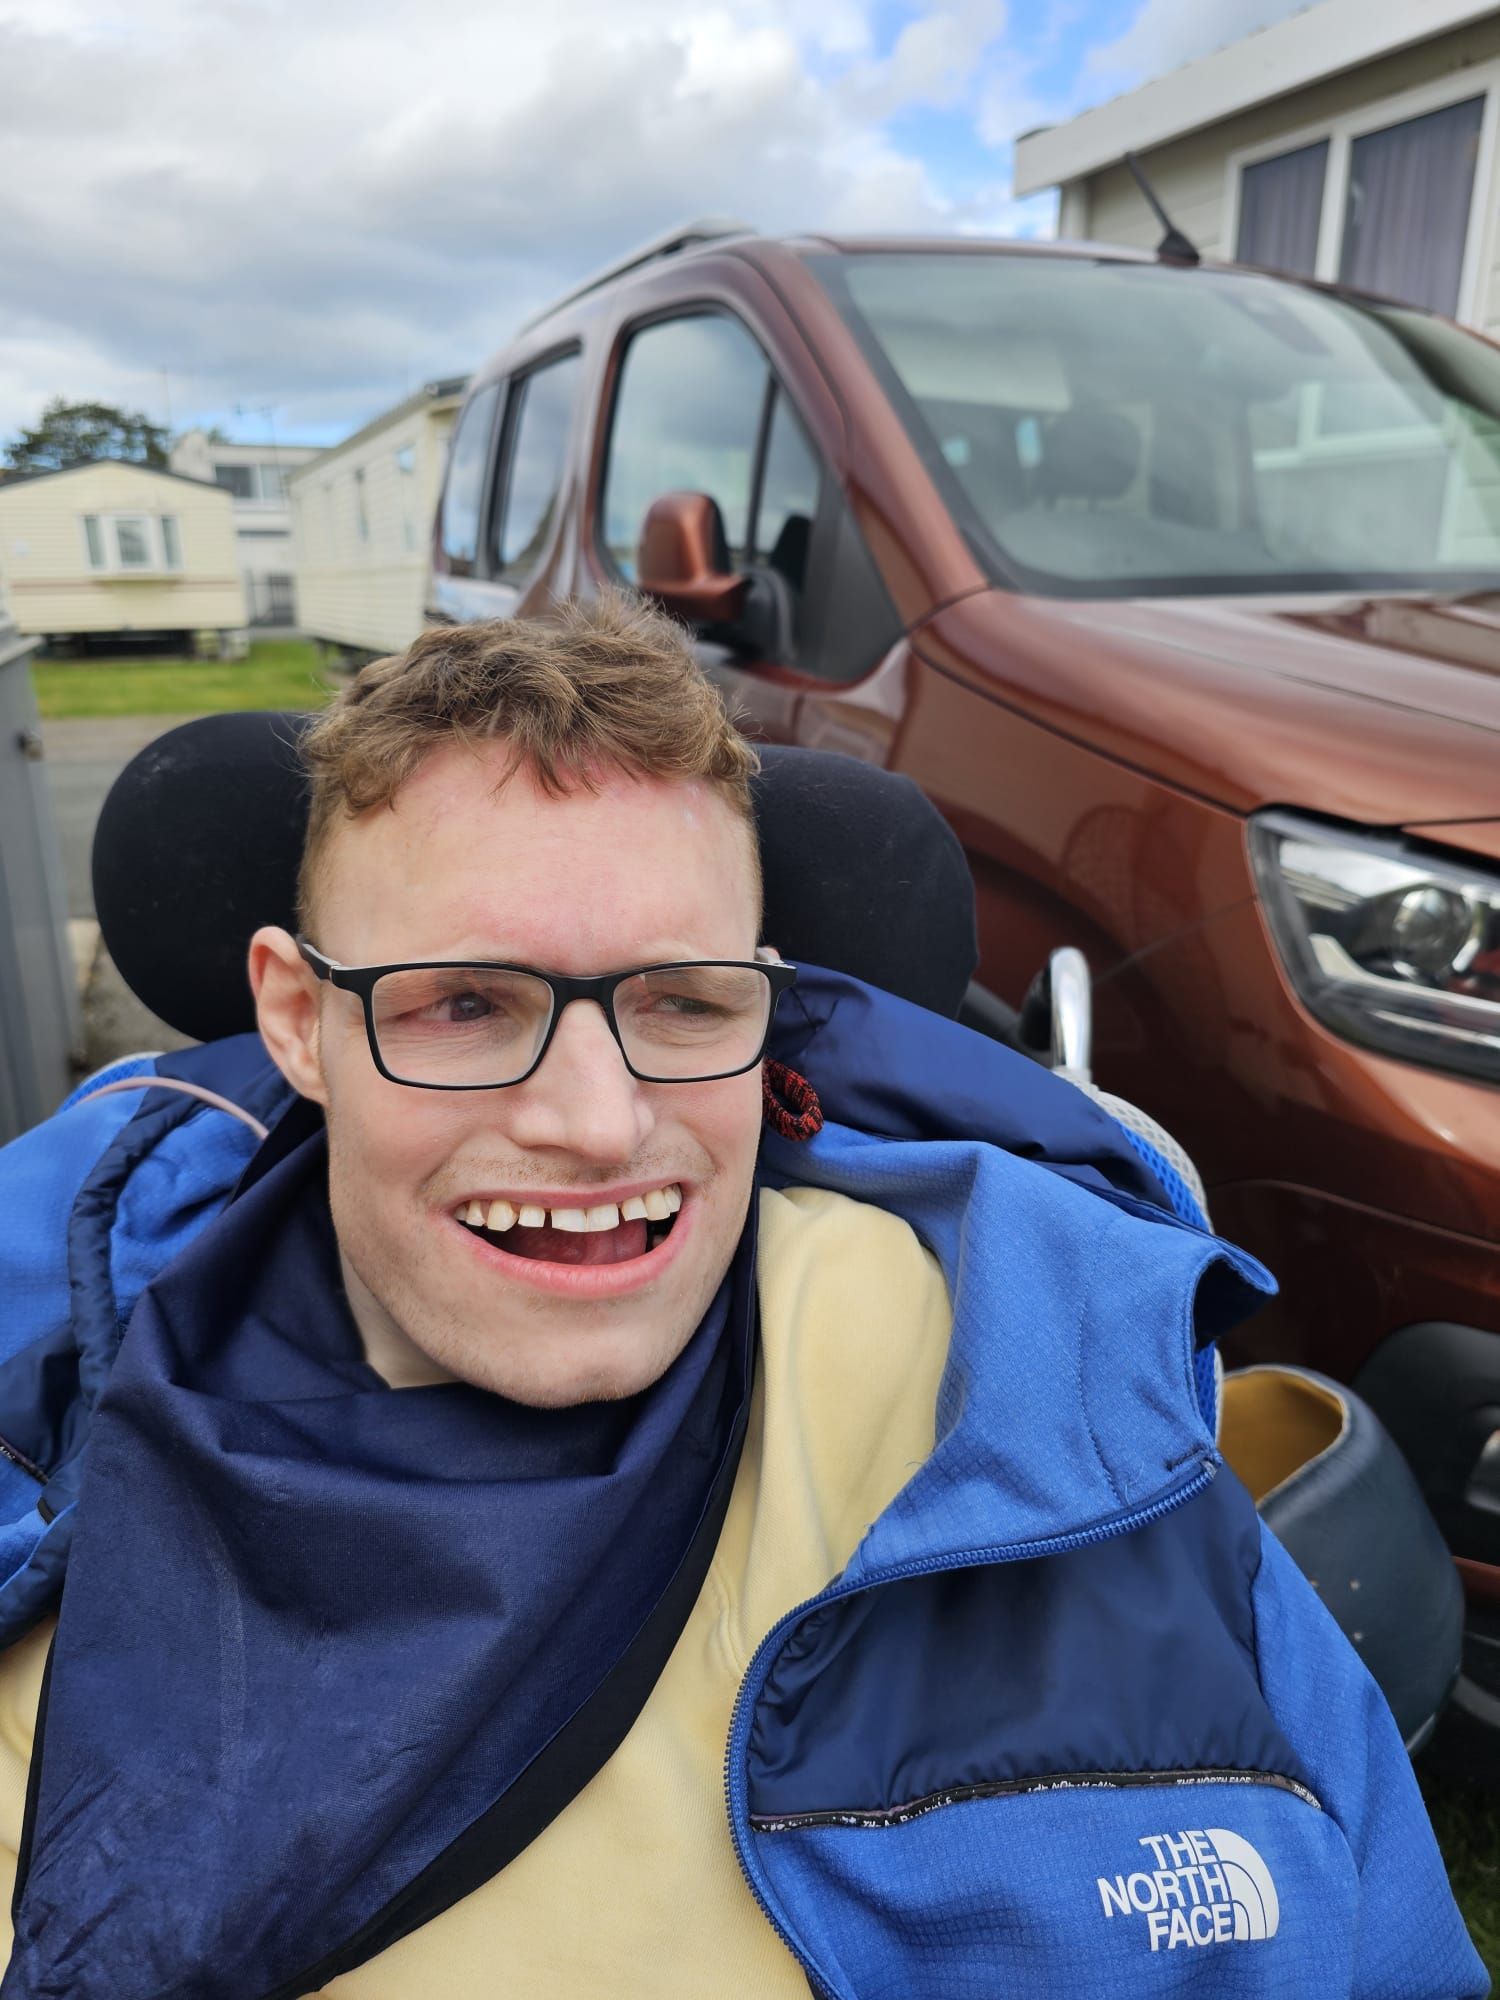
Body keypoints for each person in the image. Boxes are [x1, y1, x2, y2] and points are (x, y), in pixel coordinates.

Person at [0, 595, 1484, 1999]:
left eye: (682, 1003)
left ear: (771, 1011)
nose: (596, 1121)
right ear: (296, 1020)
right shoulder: (66, 1489)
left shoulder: (1044, 1399)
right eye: (464, 1004)